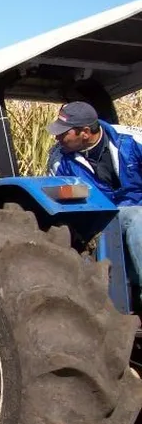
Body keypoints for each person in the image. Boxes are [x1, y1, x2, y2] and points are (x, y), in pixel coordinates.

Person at [47, 101, 142, 290]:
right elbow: (58, 203)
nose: (57, 137)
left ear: (85, 132)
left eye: (63, 133)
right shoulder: (59, 161)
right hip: (102, 217)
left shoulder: (133, 140)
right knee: (137, 218)